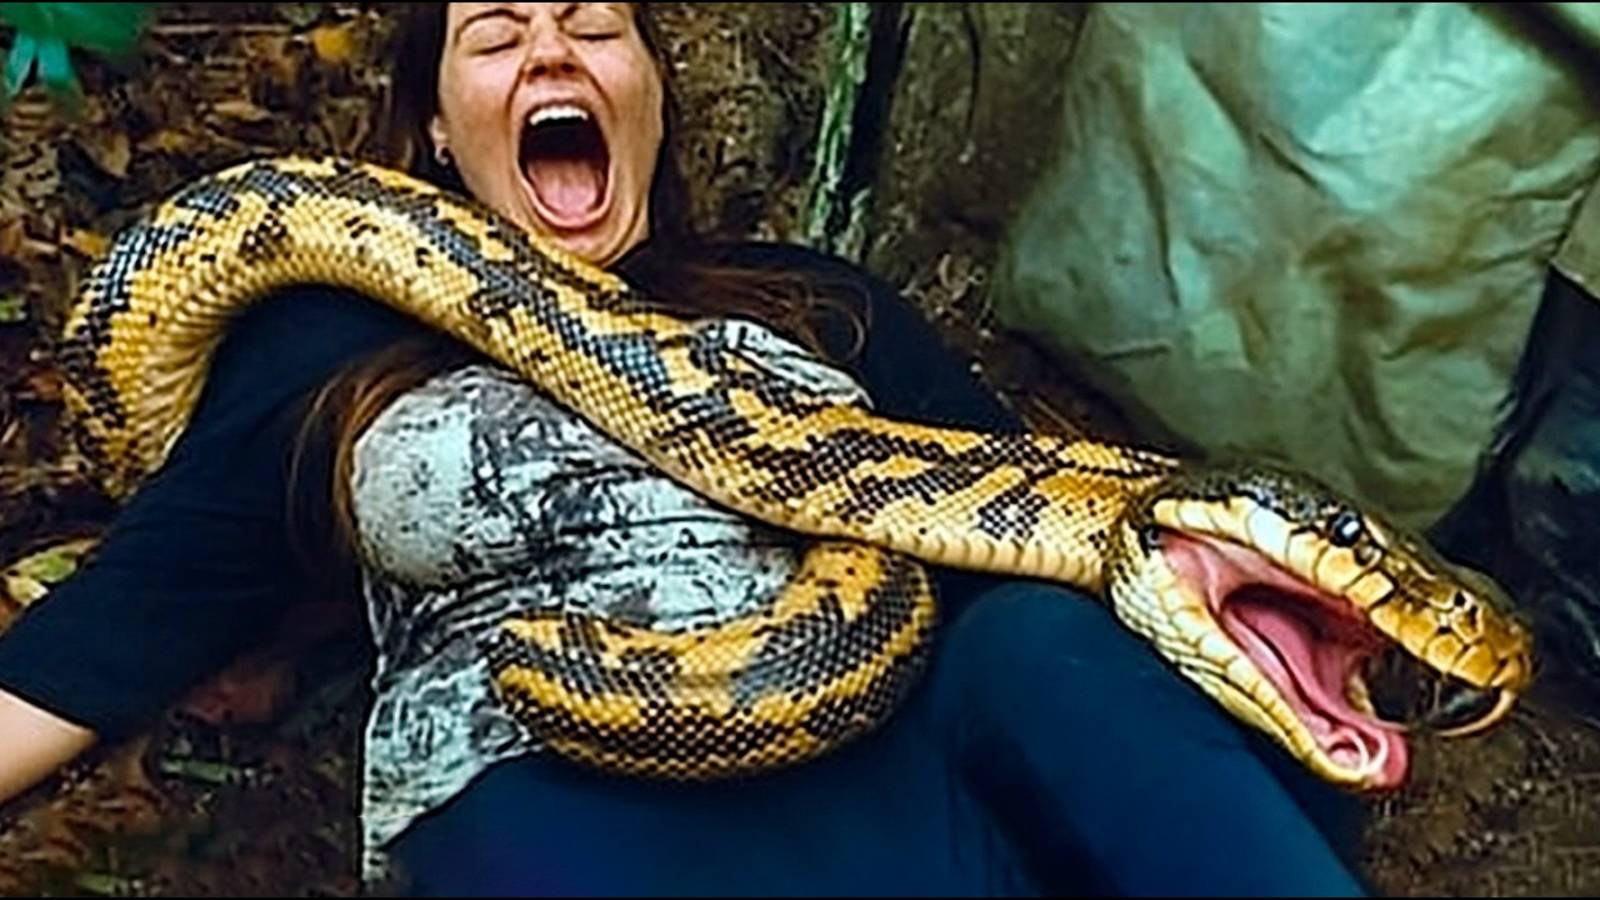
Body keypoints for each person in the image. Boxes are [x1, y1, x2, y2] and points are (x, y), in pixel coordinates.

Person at [0, 3, 1374, 896]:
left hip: (908, 757)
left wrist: (1218, 584)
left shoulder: (816, 305)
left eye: (597, 27)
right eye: (496, 36)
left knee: (1040, 643)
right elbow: (128, 616)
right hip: (553, 780)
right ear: (435, 133)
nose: (553, 53)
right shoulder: (337, 345)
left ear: (653, 99)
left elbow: (1020, 515)